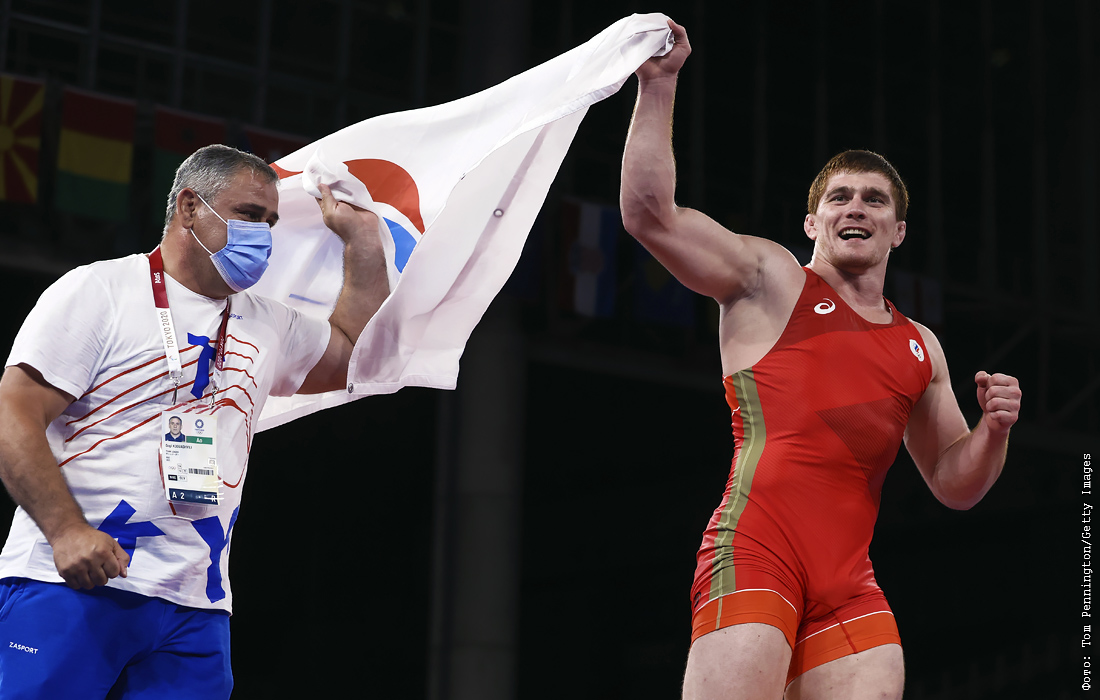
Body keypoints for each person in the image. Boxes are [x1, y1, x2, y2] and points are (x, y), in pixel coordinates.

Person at [620, 20, 1022, 700]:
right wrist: (658, 84)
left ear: (898, 230)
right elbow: (649, 217)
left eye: (874, 199)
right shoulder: (771, 279)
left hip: (849, 587)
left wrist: (994, 431)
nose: (855, 208)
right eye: (839, 197)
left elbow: (955, 483)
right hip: (757, 553)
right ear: (813, 223)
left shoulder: (921, 346)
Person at [0, 144, 389, 698]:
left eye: (270, 222)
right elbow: (13, 410)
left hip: (196, 607)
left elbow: (354, 353)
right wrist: (65, 531)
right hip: (72, 582)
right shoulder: (101, 290)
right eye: (248, 214)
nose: (263, 235)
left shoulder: (267, 323)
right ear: (188, 207)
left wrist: (363, 239)